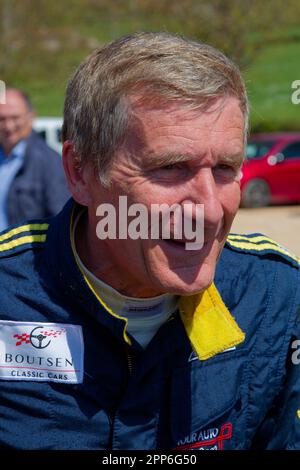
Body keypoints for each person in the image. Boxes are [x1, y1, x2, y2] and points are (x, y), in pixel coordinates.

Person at [0, 32, 299, 451]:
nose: (210, 211)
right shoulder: (8, 296)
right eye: (171, 167)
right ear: (81, 173)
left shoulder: (276, 298)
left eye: (226, 168)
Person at [0, 88, 69, 230]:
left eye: (15, 118)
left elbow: (62, 221)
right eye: (2, 119)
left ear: (31, 117)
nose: (8, 126)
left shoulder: (50, 163)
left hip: (22, 251)